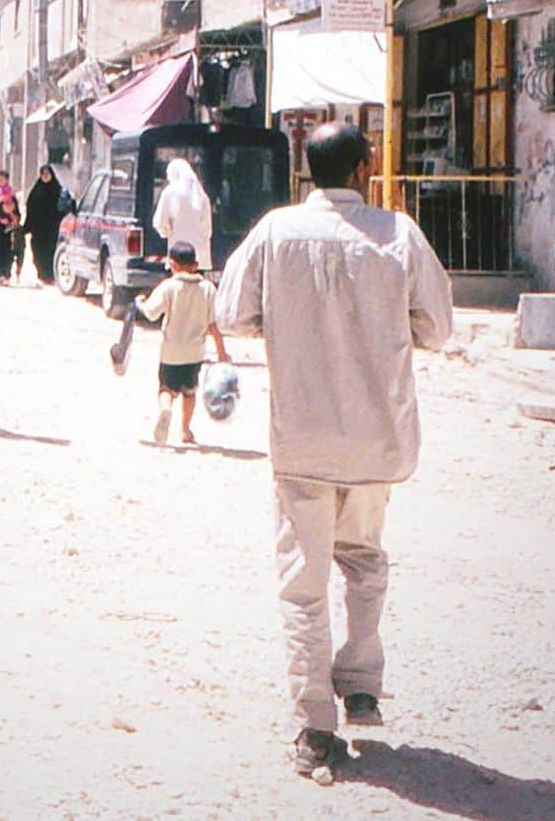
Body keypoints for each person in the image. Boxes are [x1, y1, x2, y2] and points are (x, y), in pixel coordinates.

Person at [215, 123, 452, 779]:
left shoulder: (274, 231)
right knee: (366, 558)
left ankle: (315, 724)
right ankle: (363, 679)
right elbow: (439, 327)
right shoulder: (399, 234)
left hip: (304, 439)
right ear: (361, 167)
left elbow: (233, 313)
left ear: (306, 167)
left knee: (303, 584)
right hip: (376, 439)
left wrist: (290, 325)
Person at [136, 240, 228, 446]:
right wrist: (222, 353)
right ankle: (185, 430)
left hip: (171, 352)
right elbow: (214, 325)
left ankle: (166, 409)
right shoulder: (207, 288)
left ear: (172, 264)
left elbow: (151, 313)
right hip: (195, 354)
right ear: (195, 265)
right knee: (189, 392)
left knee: (166, 389)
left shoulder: (168, 287)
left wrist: (140, 303)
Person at [153, 157, 213, 271]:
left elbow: (159, 222)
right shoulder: (201, 196)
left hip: (177, 256)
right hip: (199, 259)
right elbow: (207, 230)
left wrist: (168, 232)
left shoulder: (169, 193)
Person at [23, 163, 63, 284]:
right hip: (38, 230)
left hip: (52, 229)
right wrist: (27, 226)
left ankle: (51, 275)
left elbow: (62, 208)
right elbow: (30, 207)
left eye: (47, 174)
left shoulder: (57, 190)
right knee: (38, 251)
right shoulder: (36, 190)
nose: (45, 176)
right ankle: (42, 274)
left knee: (51, 251)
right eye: (43, 174)